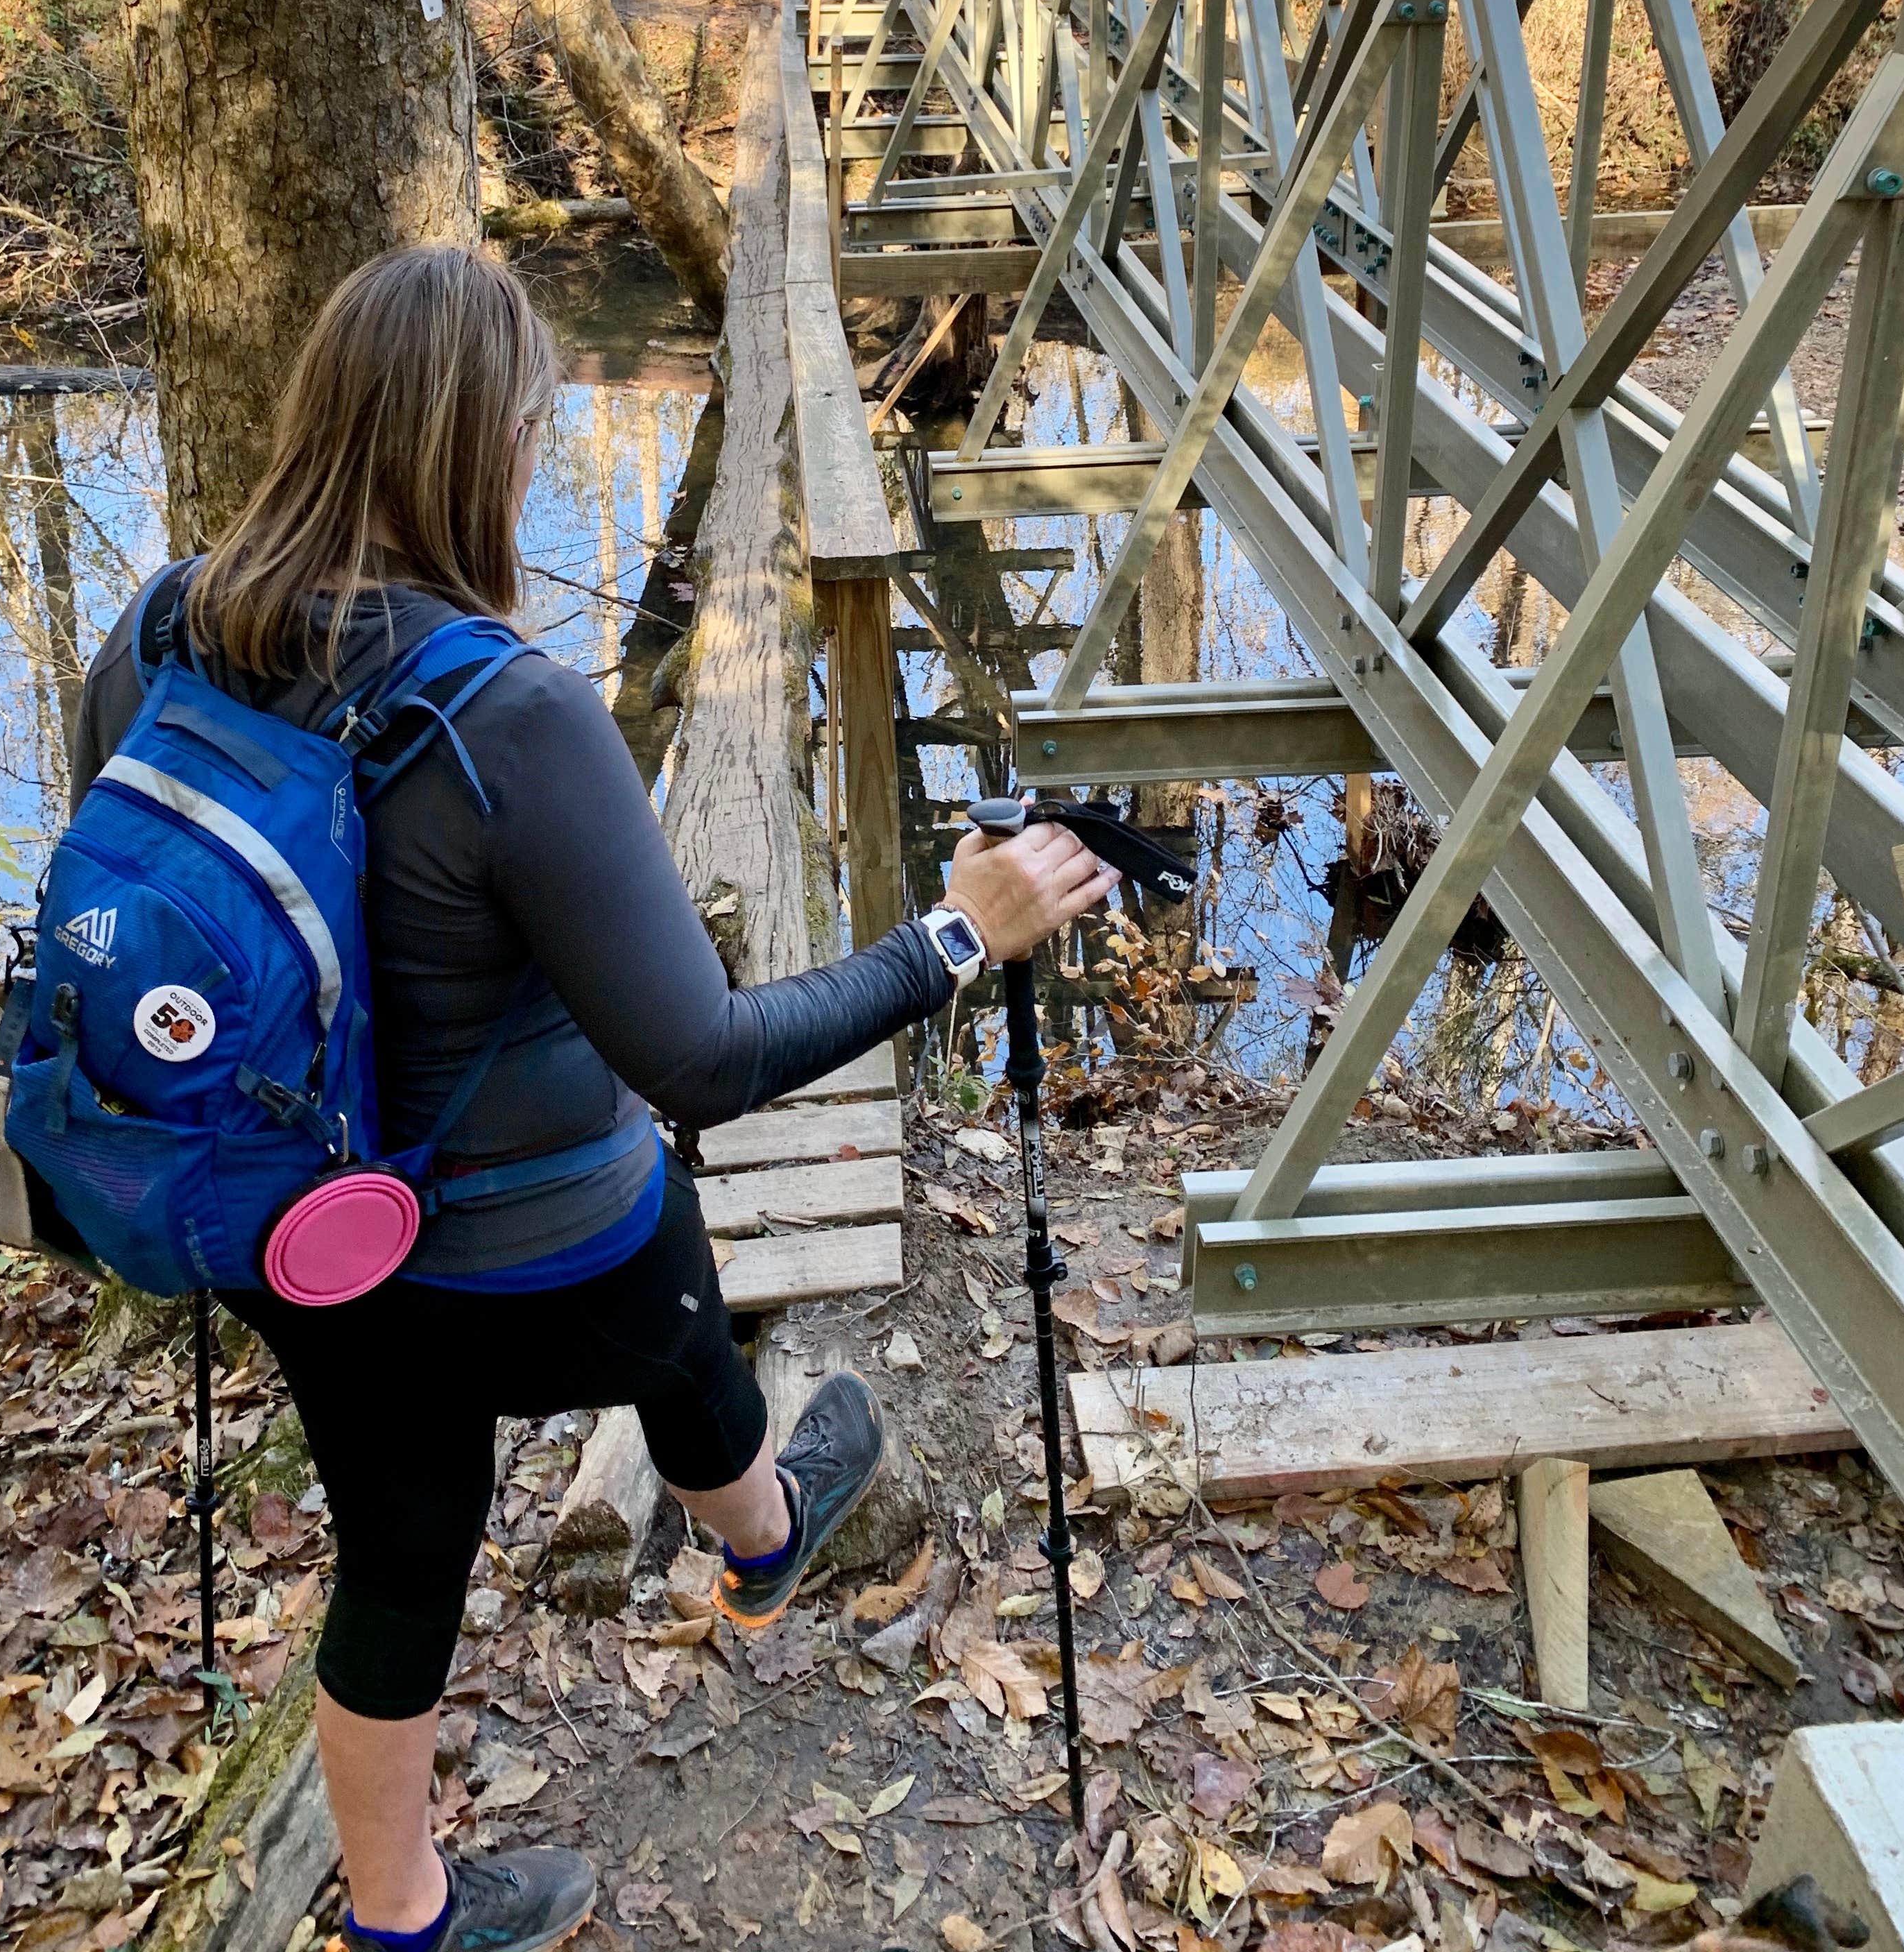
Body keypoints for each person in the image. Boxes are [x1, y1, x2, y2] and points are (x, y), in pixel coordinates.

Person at [69, 246, 1117, 1952]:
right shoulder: (517, 717)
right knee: (677, 1323)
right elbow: (700, 1058)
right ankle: (766, 1538)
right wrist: (955, 935)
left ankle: (402, 1916)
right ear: (492, 448)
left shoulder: (157, 631)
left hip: (292, 1234)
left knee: (402, 1549)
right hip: (539, 1244)